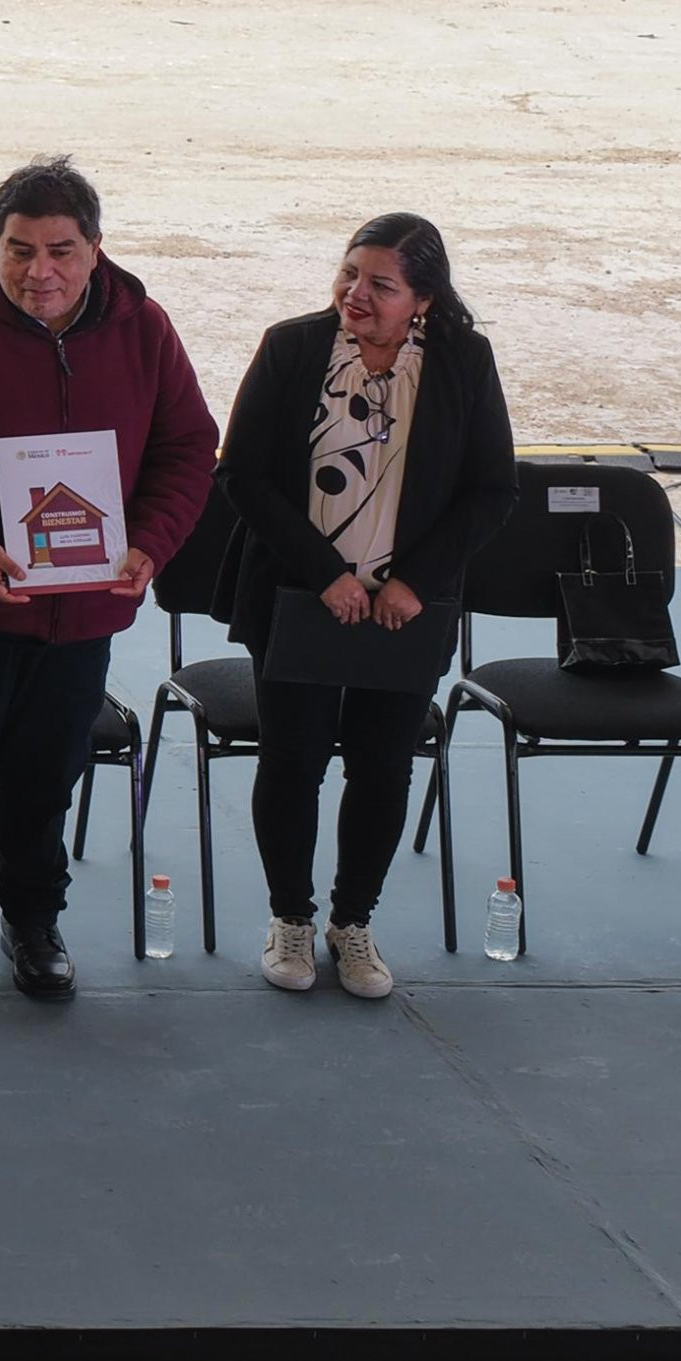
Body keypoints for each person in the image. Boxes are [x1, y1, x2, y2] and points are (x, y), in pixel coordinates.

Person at [0, 156, 216, 1005]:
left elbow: (186, 449)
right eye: (19, 249)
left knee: (47, 774)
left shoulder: (145, 331)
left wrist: (151, 543)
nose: (39, 271)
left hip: (82, 615)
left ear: (96, 248)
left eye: (60, 250)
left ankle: (32, 920)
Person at [205, 214, 517, 1001]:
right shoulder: (292, 347)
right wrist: (325, 573)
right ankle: (291, 921)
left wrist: (413, 579)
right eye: (350, 273)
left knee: (381, 767)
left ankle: (353, 922)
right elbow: (242, 473)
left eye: (381, 284)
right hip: (299, 594)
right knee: (294, 761)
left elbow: (492, 489)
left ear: (423, 298)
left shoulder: (463, 361)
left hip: (405, 609)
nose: (356, 293)